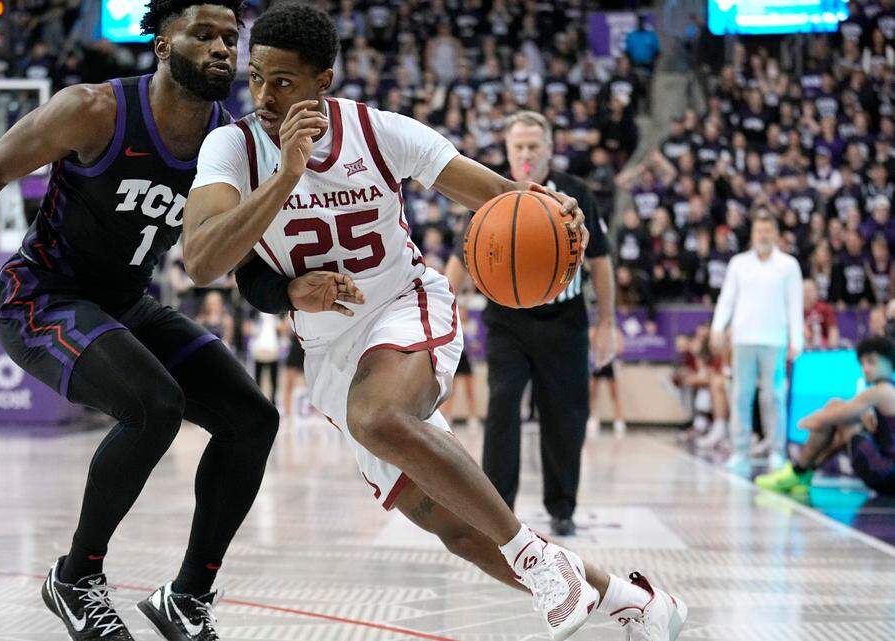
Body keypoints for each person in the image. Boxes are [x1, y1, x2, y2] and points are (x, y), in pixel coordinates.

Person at [183, 5, 684, 640]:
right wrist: (286, 197)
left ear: (323, 81)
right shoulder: (232, 146)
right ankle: (635, 602)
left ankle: (538, 559)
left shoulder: (380, 131)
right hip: (330, 349)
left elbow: (504, 199)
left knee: (379, 416)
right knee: (459, 530)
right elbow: (202, 260)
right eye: (255, 77)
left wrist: (560, 216)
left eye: (283, 81)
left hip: (405, 305)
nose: (263, 95)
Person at [0, 2, 279, 638]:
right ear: (163, 45)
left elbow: (241, 251)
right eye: (204, 34)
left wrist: (297, 290)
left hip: (125, 303)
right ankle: (76, 576)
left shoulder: (227, 141)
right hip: (42, 295)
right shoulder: (95, 110)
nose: (224, 48)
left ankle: (186, 596)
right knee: (155, 405)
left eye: (231, 36)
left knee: (252, 419)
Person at [445, 110, 618, 538]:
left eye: (532, 146)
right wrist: (444, 313)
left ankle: (562, 506)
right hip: (507, 320)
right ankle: (497, 510)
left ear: (549, 148)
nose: (525, 154)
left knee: (566, 416)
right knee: (502, 406)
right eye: (517, 146)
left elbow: (600, 262)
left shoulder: (577, 193)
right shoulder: (490, 192)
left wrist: (607, 323)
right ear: (507, 149)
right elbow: (459, 258)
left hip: (566, 319)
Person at [710, 212, 804, 470]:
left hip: (775, 339)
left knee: (773, 395)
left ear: (775, 234)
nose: (763, 235)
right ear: (752, 234)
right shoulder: (739, 264)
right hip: (743, 338)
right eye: (759, 231)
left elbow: (794, 305)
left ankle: (776, 450)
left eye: (767, 231)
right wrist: (718, 327)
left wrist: (797, 339)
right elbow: (727, 299)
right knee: (741, 394)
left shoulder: (788, 265)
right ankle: (740, 450)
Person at [755, 336, 895, 498]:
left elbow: (825, 418)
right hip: (887, 474)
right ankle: (801, 472)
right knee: (843, 424)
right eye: (862, 364)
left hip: (884, 473)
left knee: (836, 409)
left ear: (889, 362)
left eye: (872, 362)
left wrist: (811, 420)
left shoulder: (881, 391)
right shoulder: (886, 391)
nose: (866, 369)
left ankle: (799, 471)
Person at [588, 325, 627, 437]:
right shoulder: (594, 331)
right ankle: (591, 418)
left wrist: (610, 348)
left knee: (614, 393)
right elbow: (590, 343)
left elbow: (620, 348)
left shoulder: (615, 332)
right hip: (597, 363)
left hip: (610, 363)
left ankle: (619, 420)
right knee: (592, 393)